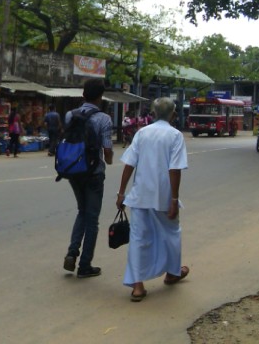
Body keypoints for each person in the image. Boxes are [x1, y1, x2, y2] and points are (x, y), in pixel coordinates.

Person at [117, 97, 189, 301]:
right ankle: (173, 272)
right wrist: (174, 199)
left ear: (154, 113)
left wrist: (121, 193)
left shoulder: (142, 133)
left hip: (140, 195)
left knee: (138, 238)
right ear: (173, 115)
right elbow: (175, 168)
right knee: (171, 232)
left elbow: (129, 164)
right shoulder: (175, 135)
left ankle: (137, 286)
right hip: (164, 195)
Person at [60, 79, 117, 278]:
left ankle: (71, 253)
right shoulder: (104, 119)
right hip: (94, 173)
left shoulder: (70, 115)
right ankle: (85, 265)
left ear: (83, 94)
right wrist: (108, 160)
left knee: (81, 212)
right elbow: (107, 150)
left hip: (73, 171)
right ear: (100, 97)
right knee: (92, 219)